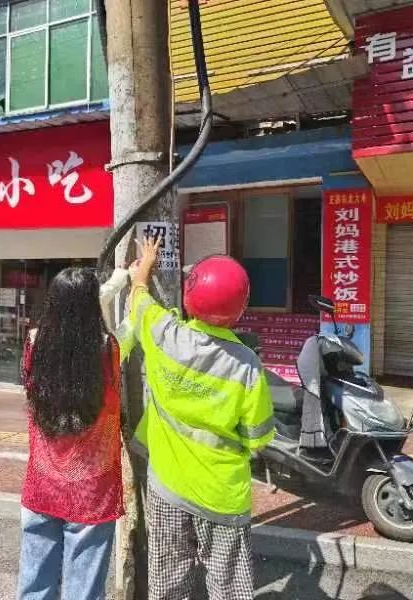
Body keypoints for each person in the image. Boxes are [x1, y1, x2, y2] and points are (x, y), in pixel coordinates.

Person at [127, 237, 275, 600]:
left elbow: (138, 299)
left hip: (167, 486)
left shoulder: (164, 335)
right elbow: (258, 437)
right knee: (228, 586)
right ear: (239, 309)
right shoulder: (247, 365)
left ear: (191, 297)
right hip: (222, 494)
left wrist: (145, 263)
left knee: (168, 583)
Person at [18, 267, 124, 600]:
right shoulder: (108, 349)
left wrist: (119, 279)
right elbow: (130, 329)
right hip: (92, 489)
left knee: (35, 586)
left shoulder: (34, 342)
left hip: (42, 483)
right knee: (83, 591)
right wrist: (130, 280)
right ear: (93, 304)